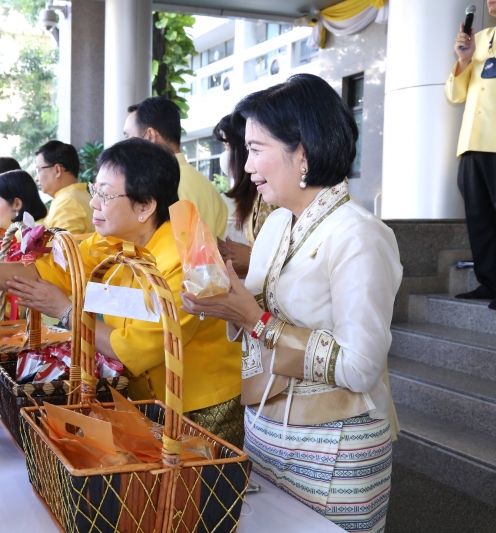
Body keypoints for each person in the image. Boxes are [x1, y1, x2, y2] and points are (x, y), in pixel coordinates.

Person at [181, 74, 401, 533]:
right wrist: (221, 301)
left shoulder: (359, 235)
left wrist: (252, 317)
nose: (246, 166)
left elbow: (361, 366)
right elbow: (256, 316)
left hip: (335, 440)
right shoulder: (279, 224)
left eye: (256, 149)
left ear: (302, 153)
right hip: (264, 427)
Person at [0, 138, 244, 447]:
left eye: (106, 194)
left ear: (145, 206)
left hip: (199, 406)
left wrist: (65, 312)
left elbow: (133, 347)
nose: (93, 203)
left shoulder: (184, 261)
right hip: (143, 398)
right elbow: (43, 272)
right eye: (95, 190)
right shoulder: (112, 242)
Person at [124, 96, 228, 241]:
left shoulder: (164, 187)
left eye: (128, 138)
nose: (126, 147)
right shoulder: (206, 186)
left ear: (150, 136)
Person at [447, 10, 496, 310]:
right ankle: (490, 282)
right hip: (471, 143)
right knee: (480, 218)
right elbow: (455, 95)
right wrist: (464, 59)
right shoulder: (482, 39)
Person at [213, 113, 276, 278]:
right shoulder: (256, 196)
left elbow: (292, 263)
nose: (225, 155)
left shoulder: (274, 197)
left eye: (227, 146)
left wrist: (249, 257)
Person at [35, 140, 94, 234]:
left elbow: (63, 243)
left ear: (57, 170)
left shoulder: (68, 202)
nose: (36, 178)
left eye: (38, 170)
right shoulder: (79, 195)